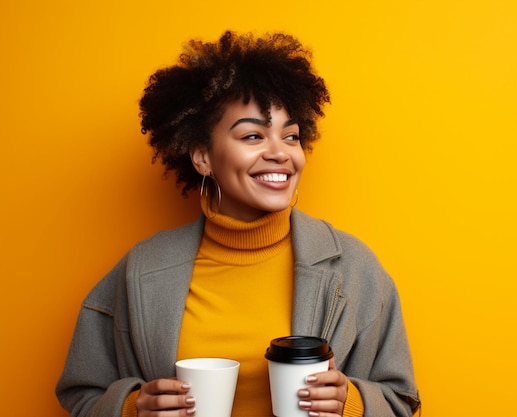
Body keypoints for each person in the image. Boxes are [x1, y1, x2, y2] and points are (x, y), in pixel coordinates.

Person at [56, 30, 420, 417]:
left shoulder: (354, 268)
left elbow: (402, 400)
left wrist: (351, 402)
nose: (280, 153)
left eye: (291, 136)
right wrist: (132, 408)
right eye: (252, 135)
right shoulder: (143, 267)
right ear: (202, 157)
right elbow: (81, 393)